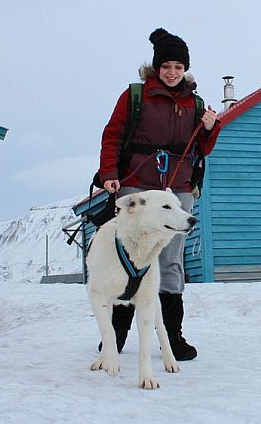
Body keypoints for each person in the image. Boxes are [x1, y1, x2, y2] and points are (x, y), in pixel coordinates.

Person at [97, 28, 221, 361]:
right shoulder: (135, 95)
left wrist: (210, 127)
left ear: (185, 69)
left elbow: (202, 148)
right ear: (156, 67)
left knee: (170, 261)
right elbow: (112, 136)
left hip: (178, 189)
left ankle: (172, 337)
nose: (172, 72)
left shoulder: (194, 102)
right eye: (166, 66)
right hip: (137, 186)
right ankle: (117, 334)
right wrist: (109, 174)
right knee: (129, 258)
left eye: (178, 67)